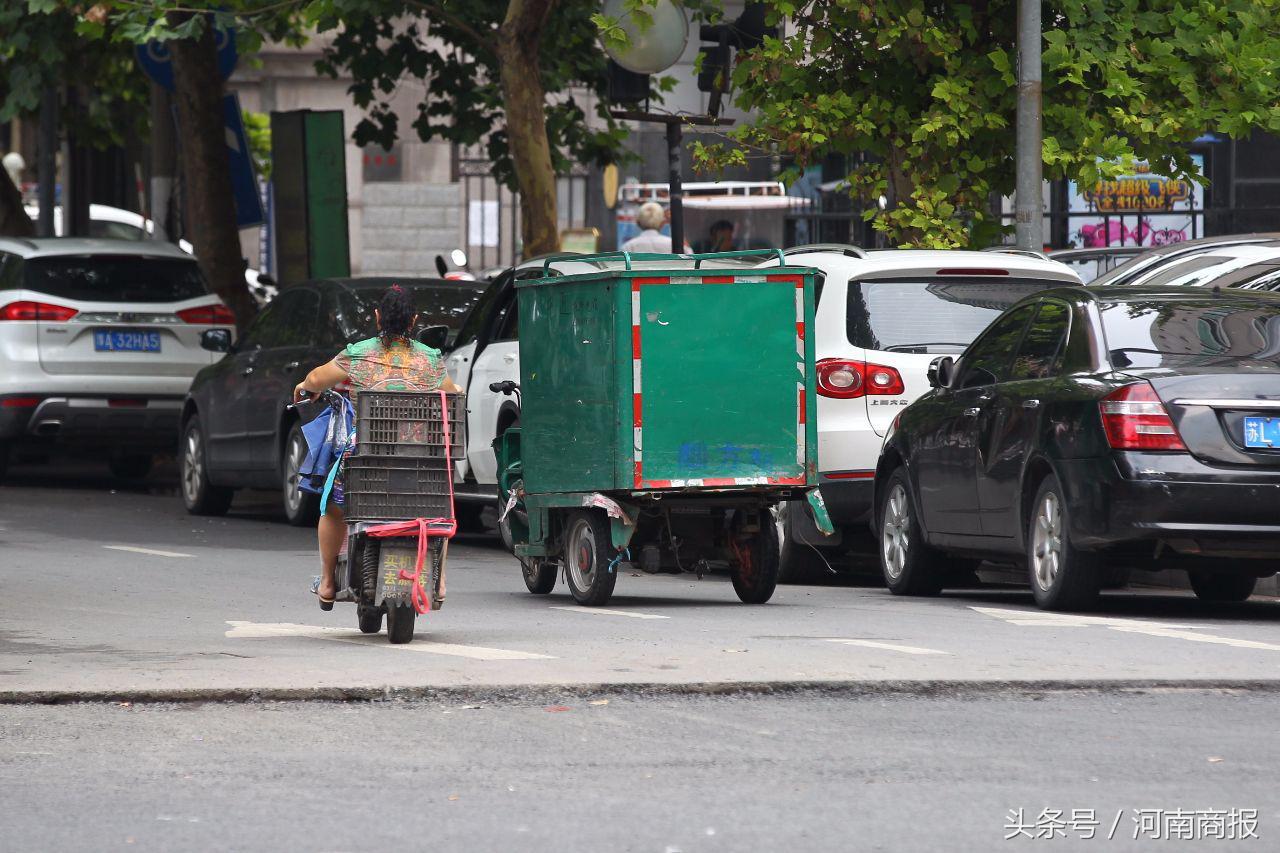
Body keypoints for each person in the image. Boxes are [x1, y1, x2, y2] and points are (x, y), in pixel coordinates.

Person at [292, 285, 461, 610]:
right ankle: (438, 583)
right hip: (419, 457)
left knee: (332, 504)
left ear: (378, 317)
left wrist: (303, 386)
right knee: (439, 508)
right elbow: (451, 394)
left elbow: (316, 378)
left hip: (367, 456)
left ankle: (327, 581)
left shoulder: (359, 354)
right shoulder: (430, 359)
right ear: (413, 320)